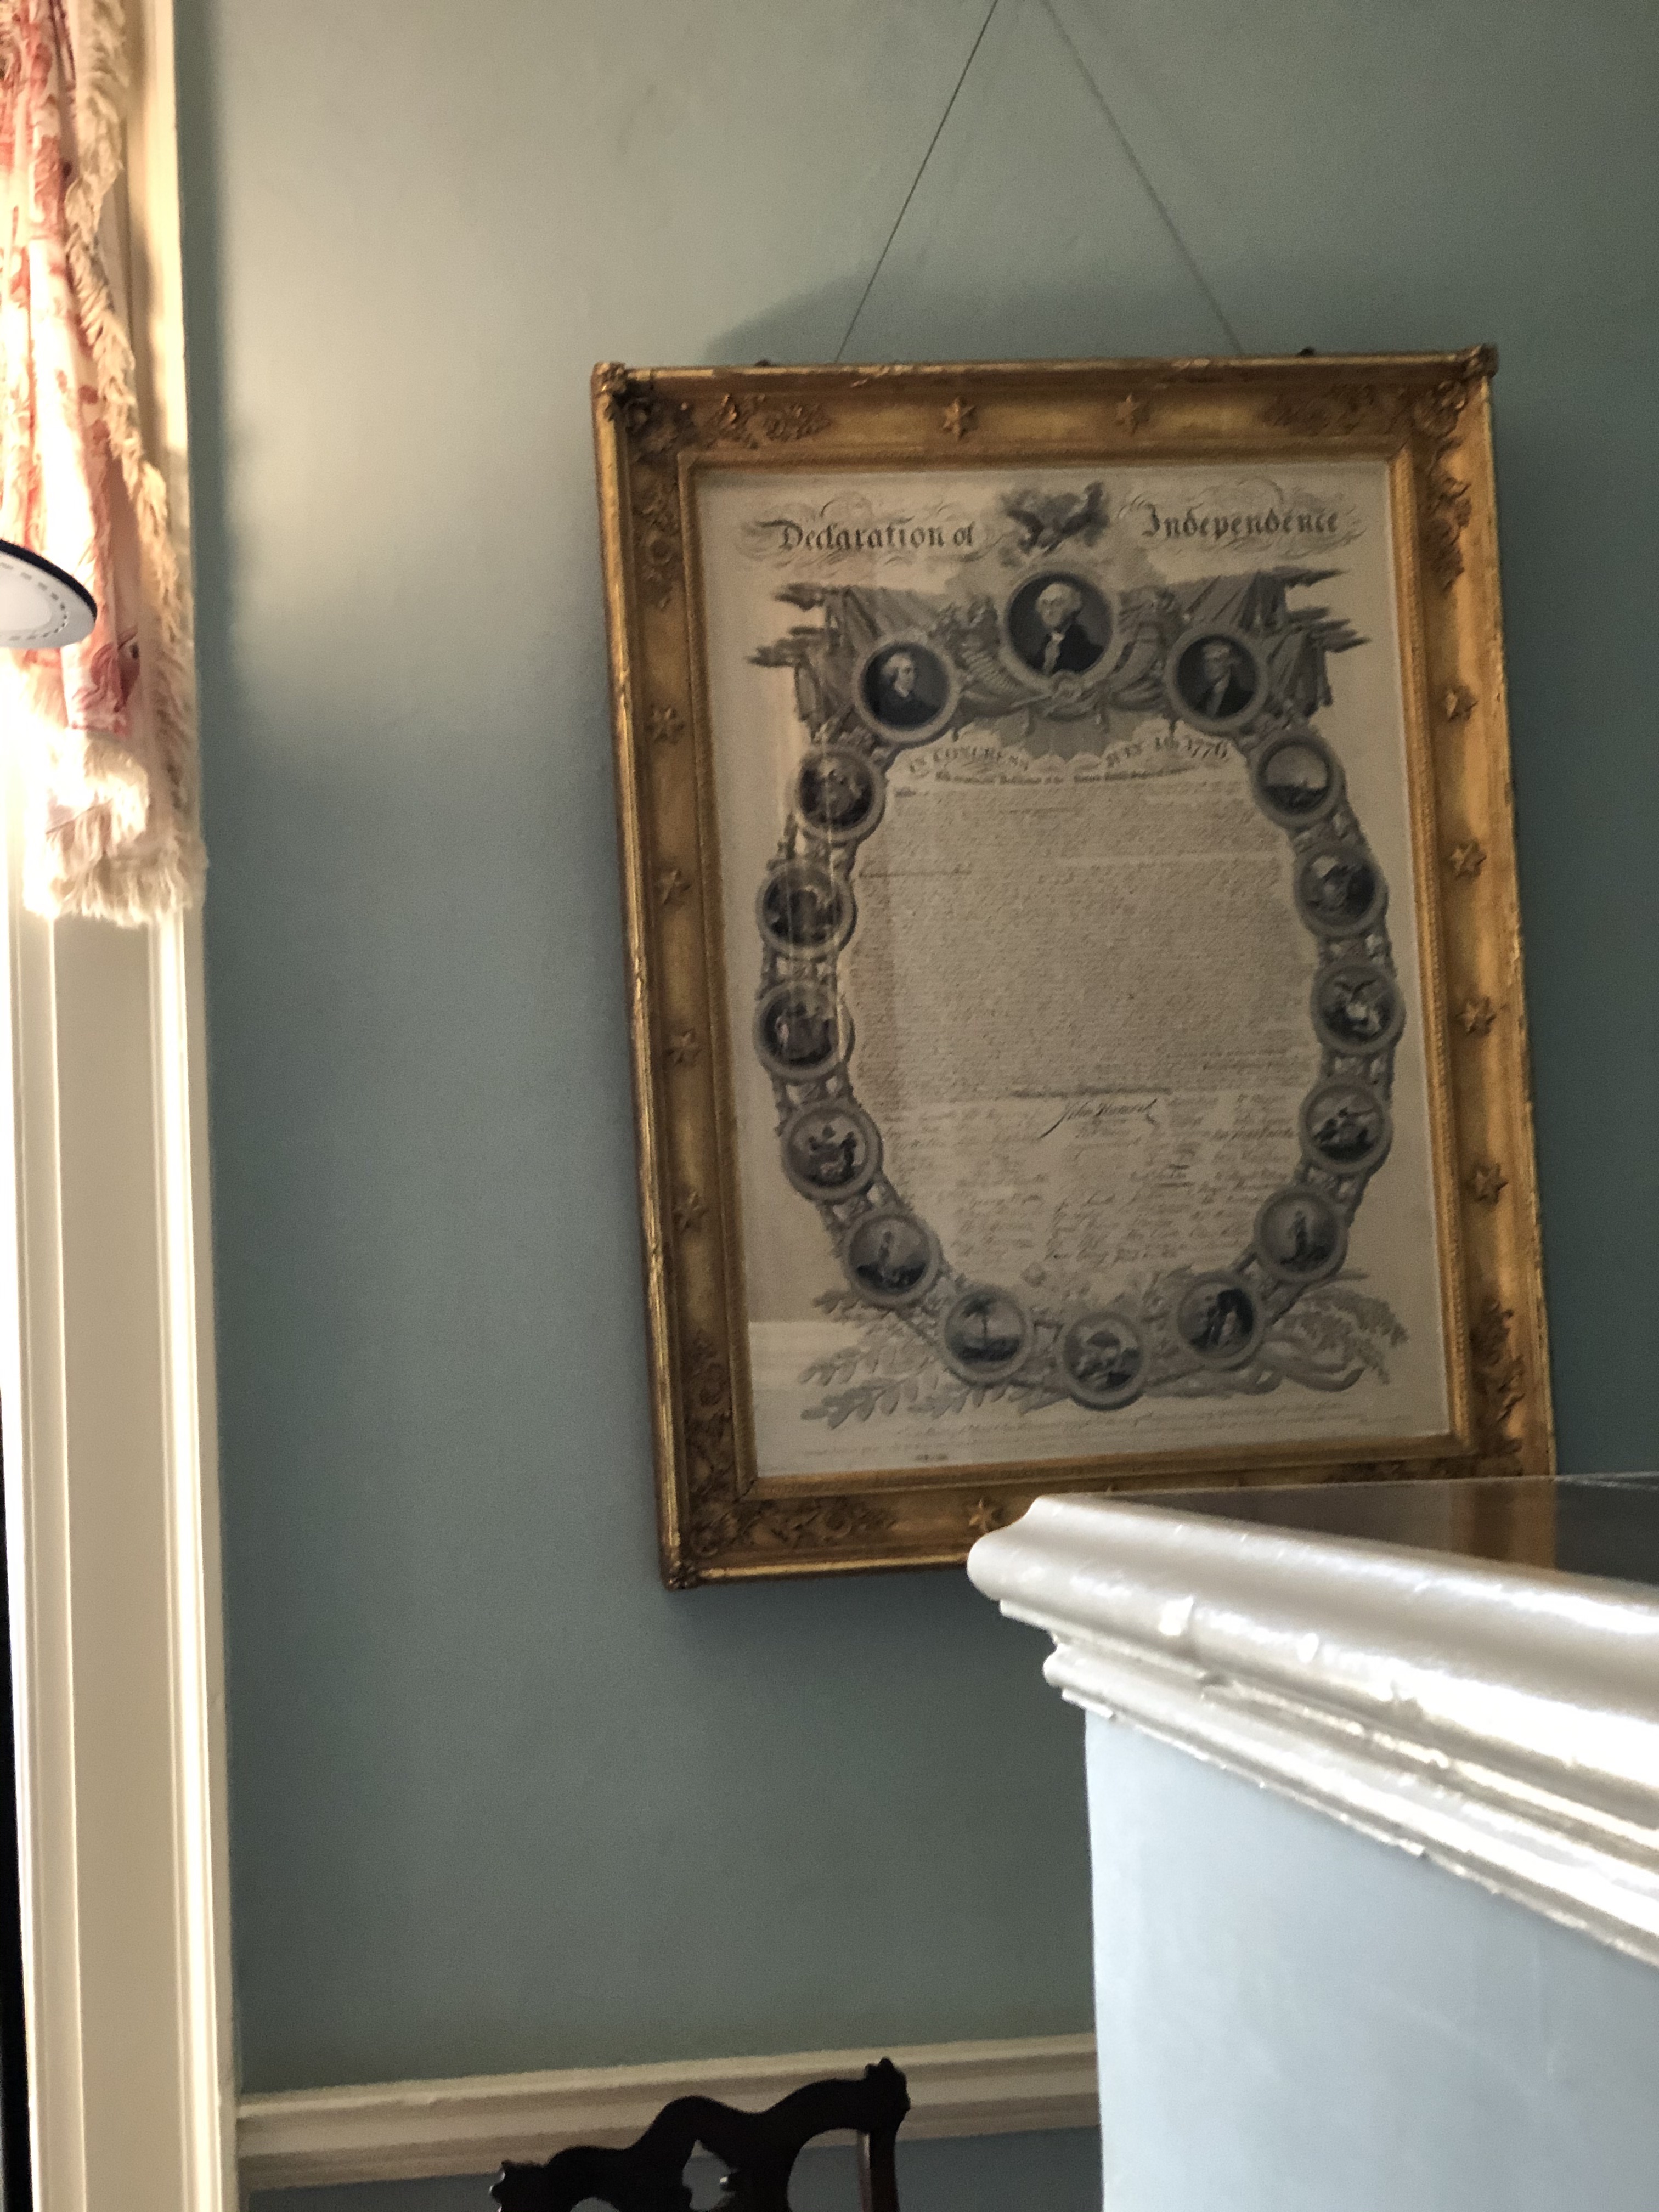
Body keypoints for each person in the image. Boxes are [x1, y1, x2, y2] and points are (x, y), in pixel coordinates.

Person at [1025, 579, 1103, 676]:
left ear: (1073, 608)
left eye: (1057, 604)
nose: (1049, 612)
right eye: (1045, 604)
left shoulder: (1091, 653)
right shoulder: (1042, 650)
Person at [865, 647, 940, 731]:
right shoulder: (883, 706)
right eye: (907, 671)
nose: (913, 676)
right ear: (894, 674)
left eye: (915, 670)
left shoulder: (923, 707)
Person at [1184, 634, 1255, 719]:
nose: (1209, 667)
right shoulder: (1202, 702)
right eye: (1207, 661)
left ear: (1228, 662)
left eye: (1216, 661)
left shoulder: (1245, 700)